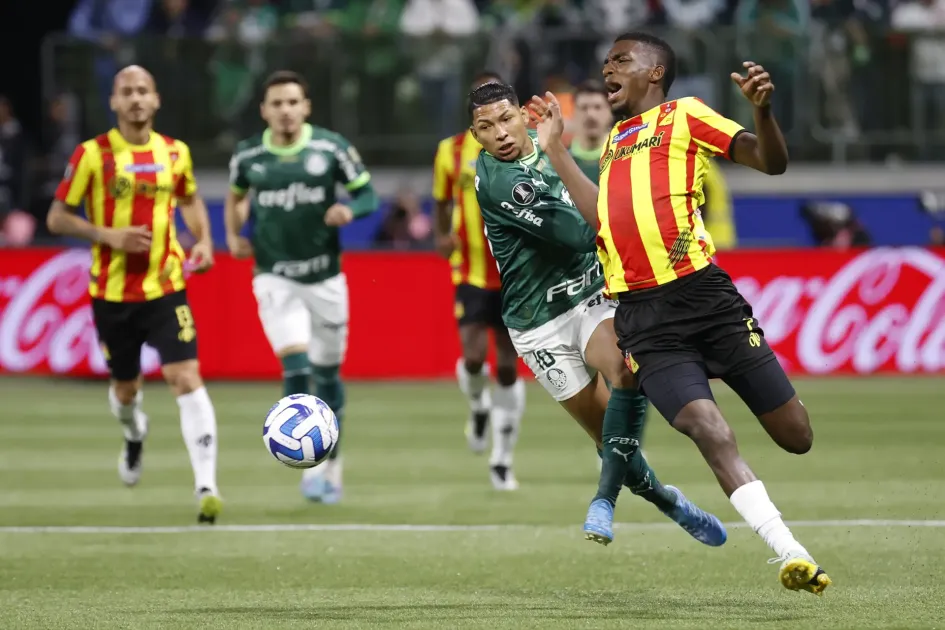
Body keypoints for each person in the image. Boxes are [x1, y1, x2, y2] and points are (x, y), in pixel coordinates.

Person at [529, 32, 831, 595]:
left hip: (706, 300)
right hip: (645, 319)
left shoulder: (685, 116)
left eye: (621, 60)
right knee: (706, 428)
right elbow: (602, 220)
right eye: (606, 61)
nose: (608, 68)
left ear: (655, 72)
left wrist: (763, 112)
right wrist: (557, 151)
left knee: (796, 435)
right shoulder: (615, 141)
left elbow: (770, 162)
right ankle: (790, 550)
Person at [469, 80, 726, 547]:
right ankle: (667, 500)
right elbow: (580, 234)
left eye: (506, 119)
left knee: (626, 367)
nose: (500, 133)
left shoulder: (556, 152)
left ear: (523, 117)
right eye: (487, 128)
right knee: (609, 438)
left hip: (588, 297)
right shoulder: (500, 182)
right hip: (537, 323)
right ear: (476, 136)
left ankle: (602, 501)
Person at [46, 66, 222, 524]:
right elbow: (57, 217)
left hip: (166, 287)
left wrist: (203, 240)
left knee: (185, 376)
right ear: (114, 102)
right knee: (126, 391)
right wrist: (108, 234)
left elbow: (189, 199)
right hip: (111, 295)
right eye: (127, 91)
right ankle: (133, 433)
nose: (136, 98)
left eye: (143, 90)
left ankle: (206, 487)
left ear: (156, 99)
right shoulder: (92, 155)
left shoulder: (175, 152)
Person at [224, 70, 380, 505]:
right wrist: (233, 235)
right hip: (274, 276)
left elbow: (368, 195)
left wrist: (349, 211)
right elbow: (236, 196)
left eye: (293, 102)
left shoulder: (331, 148)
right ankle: (306, 466)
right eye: (277, 103)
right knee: (295, 366)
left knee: (327, 374)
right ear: (264, 110)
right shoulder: (249, 155)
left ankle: (332, 465)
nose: (286, 111)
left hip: (325, 278)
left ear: (306, 107)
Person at [432, 71, 525, 491]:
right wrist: (441, 233)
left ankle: (502, 459)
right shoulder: (450, 151)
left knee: (506, 365)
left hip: (514, 273)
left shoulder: (520, 145)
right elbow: (440, 200)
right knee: (472, 358)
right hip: (469, 269)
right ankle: (477, 404)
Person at [568, 80, 613, 182]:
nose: (591, 115)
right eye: (584, 108)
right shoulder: (562, 162)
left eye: (598, 107)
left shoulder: (624, 157)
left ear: (610, 112)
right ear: (573, 113)